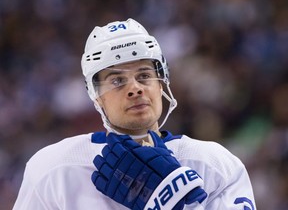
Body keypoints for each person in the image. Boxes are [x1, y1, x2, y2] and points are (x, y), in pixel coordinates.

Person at [13, 18, 256, 210]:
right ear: (96, 96)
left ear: (162, 84)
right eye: (117, 80)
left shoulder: (215, 164)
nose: (135, 88)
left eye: (144, 75)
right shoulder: (53, 168)